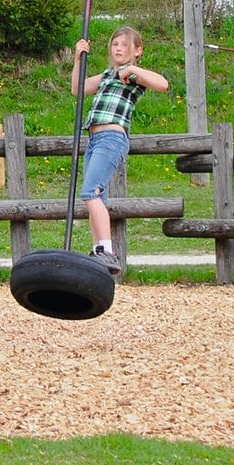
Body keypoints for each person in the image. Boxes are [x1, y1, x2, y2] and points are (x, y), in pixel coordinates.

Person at [71, 25, 169, 278]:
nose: (118, 48)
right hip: (94, 139)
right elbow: (78, 89)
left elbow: (163, 84)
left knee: (90, 193)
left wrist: (133, 69)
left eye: (124, 45)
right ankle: (99, 250)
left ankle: (107, 250)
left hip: (111, 137)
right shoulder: (108, 75)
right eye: (115, 44)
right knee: (96, 198)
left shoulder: (132, 75)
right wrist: (78, 59)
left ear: (137, 51)